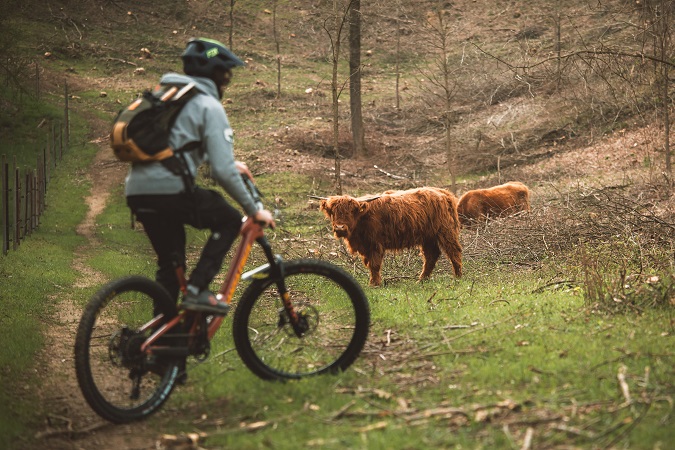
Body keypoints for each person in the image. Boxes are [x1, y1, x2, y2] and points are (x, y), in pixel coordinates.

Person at [125, 37, 276, 317]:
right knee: (230, 218)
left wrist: (233, 163)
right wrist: (255, 211)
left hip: (137, 192)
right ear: (215, 74)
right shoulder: (207, 104)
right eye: (226, 76)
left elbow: (177, 145)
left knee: (171, 270)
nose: (226, 83)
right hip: (169, 191)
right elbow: (221, 172)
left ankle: (161, 351)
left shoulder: (169, 97)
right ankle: (198, 290)